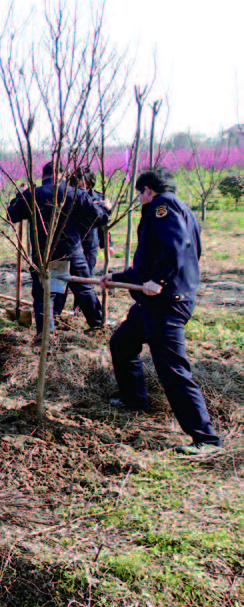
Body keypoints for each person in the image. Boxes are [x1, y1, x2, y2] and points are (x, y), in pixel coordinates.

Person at [93, 168, 221, 457]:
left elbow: (177, 247)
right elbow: (151, 263)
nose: (139, 199)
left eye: (139, 194)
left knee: (172, 369)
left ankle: (206, 439)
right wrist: (117, 277)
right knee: (123, 342)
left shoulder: (163, 207)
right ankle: (134, 400)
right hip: (154, 301)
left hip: (166, 303)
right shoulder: (182, 209)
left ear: (147, 190)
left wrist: (160, 281)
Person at [6, 162, 109, 334]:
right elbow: (100, 219)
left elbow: (11, 215)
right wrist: (105, 207)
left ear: (44, 175)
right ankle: (98, 327)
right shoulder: (76, 193)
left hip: (42, 254)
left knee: (43, 295)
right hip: (72, 252)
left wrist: (19, 197)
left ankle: (45, 335)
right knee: (84, 289)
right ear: (63, 175)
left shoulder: (32, 195)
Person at [68, 168, 110, 275]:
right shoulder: (68, 197)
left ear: (90, 183)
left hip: (90, 242)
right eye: (77, 182)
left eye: (83, 182)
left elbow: (103, 222)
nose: (80, 185)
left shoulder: (98, 198)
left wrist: (107, 242)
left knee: (87, 273)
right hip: (72, 242)